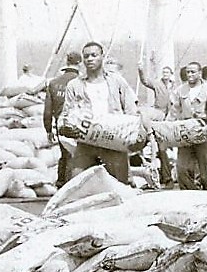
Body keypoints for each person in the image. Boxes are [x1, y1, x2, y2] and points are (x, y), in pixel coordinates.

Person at [61, 41, 140, 184]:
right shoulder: (74, 85)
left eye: (94, 55)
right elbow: (67, 113)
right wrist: (66, 127)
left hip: (113, 140)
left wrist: (132, 134)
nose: (90, 59)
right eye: (86, 56)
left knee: (119, 184)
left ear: (102, 56)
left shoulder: (117, 81)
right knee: (76, 181)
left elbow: (131, 110)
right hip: (86, 141)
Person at [170, 61, 207, 190]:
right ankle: (189, 192)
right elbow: (174, 112)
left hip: (202, 130)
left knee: (205, 168)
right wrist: (169, 129)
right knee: (182, 167)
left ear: (200, 73)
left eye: (193, 72)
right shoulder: (180, 91)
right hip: (185, 132)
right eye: (188, 72)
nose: (190, 75)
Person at [44, 51, 83, 188]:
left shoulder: (54, 83)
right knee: (80, 156)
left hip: (61, 124)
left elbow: (47, 111)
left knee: (65, 154)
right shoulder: (83, 82)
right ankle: (74, 185)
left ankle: (61, 183)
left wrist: (48, 130)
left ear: (67, 62)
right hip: (81, 124)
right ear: (80, 63)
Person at [139, 64, 178, 187]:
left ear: (171, 74)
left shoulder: (174, 87)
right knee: (161, 149)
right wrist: (141, 70)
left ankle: (167, 176)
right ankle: (166, 178)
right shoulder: (157, 84)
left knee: (166, 150)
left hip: (170, 119)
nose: (165, 74)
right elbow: (145, 81)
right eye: (164, 72)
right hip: (159, 117)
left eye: (167, 72)